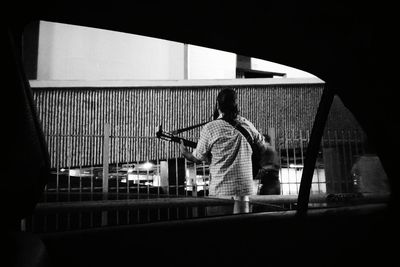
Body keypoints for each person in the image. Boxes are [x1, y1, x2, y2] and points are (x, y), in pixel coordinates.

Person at [180, 88, 263, 197]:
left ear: (218, 105)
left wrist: (184, 151)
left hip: (221, 193)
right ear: (236, 105)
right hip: (246, 194)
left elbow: (197, 158)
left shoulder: (210, 128)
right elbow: (262, 144)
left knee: (220, 215)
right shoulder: (246, 124)